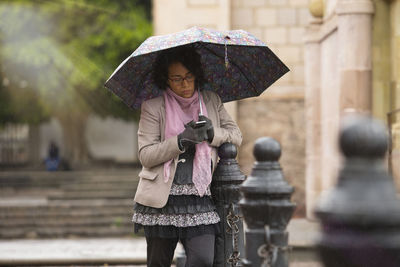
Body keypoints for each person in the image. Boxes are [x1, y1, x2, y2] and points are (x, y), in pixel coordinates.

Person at [132, 46, 242, 267]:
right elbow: (146, 154)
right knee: (158, 263)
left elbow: (236, 135)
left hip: (200, 197)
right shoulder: (153, 107)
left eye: (189, 77)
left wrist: (213, 134)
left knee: (202, 259)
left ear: (197, 76)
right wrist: (180, 141)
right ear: (166, 80)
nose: (184, 84)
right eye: (177, 78)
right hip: (161, 200)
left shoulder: (211, 101)